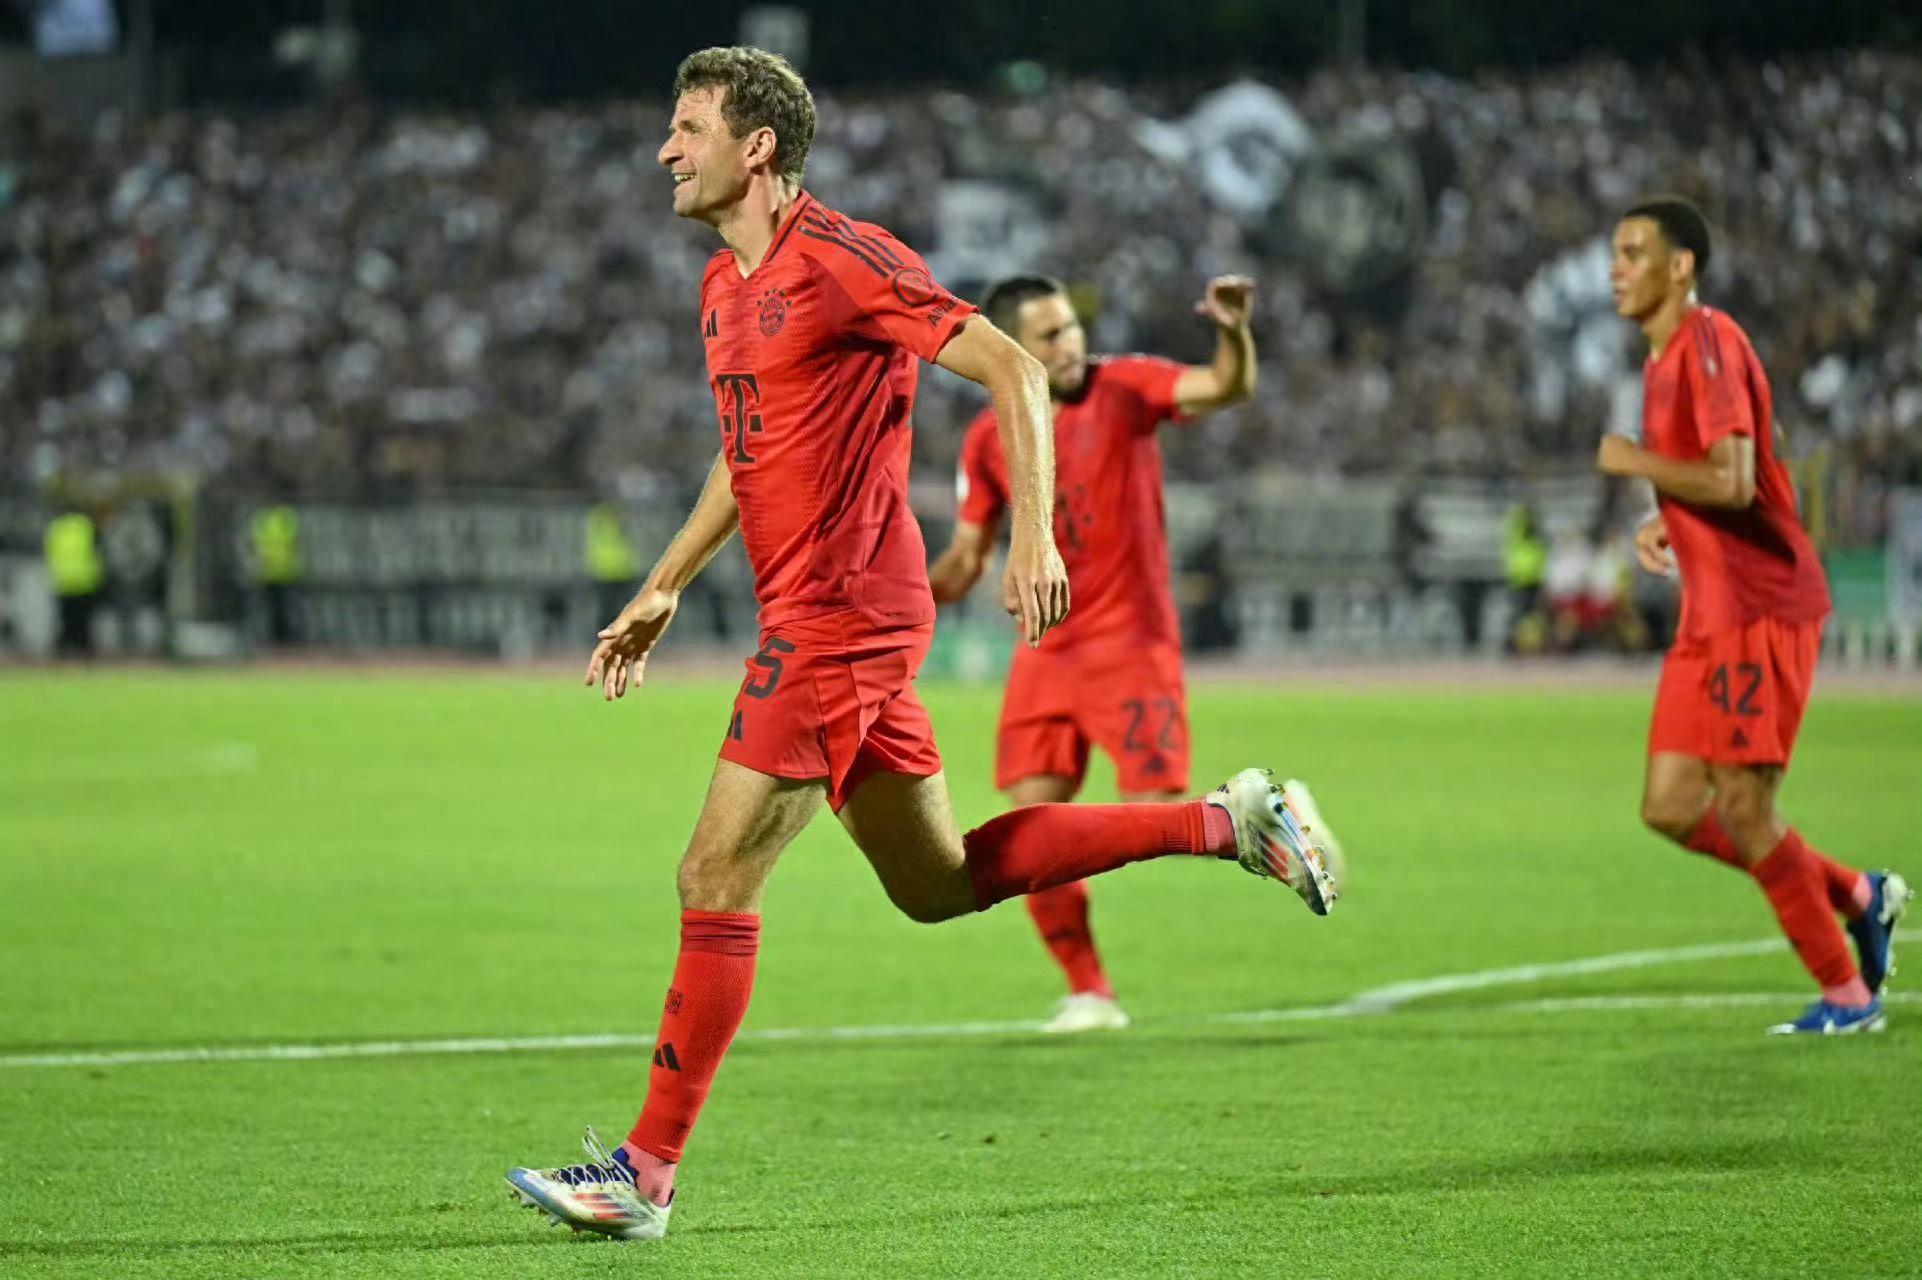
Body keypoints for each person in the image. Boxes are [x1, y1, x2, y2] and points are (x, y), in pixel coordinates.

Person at [504, 46, 1339, 1242]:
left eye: (687, 128)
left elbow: (1013, 368)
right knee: (937, 884)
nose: (664, 149)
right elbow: (745, 452)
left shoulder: (845, 258)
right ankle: (1228, 823)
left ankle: (644, 1171)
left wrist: (1032, 537)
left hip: (842, 615)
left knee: (713, 874)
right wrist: (663, 584)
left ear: (755, 147)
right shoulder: (722, 286)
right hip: (815, 614)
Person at [928, 273, 1346, 1032]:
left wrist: (1233, 333)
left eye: (1071, 327)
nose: (1071, 344)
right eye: (1050, 335)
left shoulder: (1122, 388)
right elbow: (965, 555)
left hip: (1131, 641)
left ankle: (1275, 814)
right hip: (1046, 650)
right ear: (1012, 346)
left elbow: (1223, 386)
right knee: (1030, 826)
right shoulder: (989, 438)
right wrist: (907, 599)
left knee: (1157, 810)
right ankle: (1089, 990)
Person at [1596, 195, 1909, 1036]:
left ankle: (1847, 994)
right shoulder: (1663, 361)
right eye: (1615, 254)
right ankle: (1857, 893)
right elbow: (1735, 482)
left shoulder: (1707, 341)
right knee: (1670, 804)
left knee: (1742, 805)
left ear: (1681, 266)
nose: (1616, 269)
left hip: (1759, 607)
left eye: (1634, 253)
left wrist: (1636, 461)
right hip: (1708, 614)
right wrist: (1669, 519)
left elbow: (1734, 480)